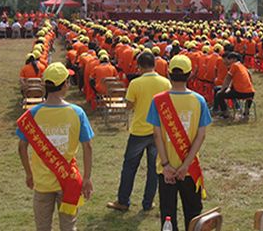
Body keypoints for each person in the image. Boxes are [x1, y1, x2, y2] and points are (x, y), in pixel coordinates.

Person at [17, 62, 94, 231]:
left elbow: (22, 146)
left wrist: (29, 174)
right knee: (69, 226)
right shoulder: (77, 112)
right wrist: (87, 178)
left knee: (43, 227)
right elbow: (87, 146)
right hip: (68, 181)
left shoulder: (31, 114)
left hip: (42, 182)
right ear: (65, 84)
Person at [147, 54, 212, 231]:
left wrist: (167, 164)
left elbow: (157, 136)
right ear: (190, 74)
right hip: (189, 169)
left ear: (168, 74)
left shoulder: (158, 101)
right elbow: (201, 136)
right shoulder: (199, 100)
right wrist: (186, 165)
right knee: (193, 213)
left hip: (166, 169)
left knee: (168, 214)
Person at [107, 52, 171, 212]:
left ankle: (123, 201)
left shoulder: (136, 83)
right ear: (154, 65)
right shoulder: (165, 83)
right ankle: (148, 203)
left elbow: (129, 105)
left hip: (139, 131)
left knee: (129, 167)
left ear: (139, 66)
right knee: (153, 169)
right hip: (157, 131)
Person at [213, 52, 255, 118]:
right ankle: (246, 112)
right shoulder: (242, 66)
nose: (228, 61)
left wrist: (222, 90)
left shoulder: (234, 65)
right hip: (251, 92)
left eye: (229, 59)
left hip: (241, 93)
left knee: (219, 94)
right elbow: (249, 76)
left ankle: (225, 113)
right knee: (221, 90)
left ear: (234, 59)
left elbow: (227, 79)